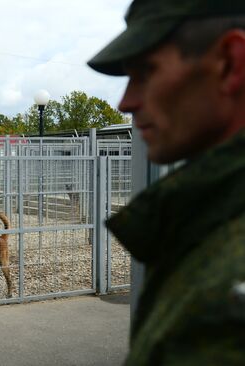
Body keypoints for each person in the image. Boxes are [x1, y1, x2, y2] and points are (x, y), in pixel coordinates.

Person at [88, 0, 245, 364]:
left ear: (231, 63)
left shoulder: (228, 295)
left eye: (146, 71)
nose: (126, 102)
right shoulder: (211, 218)